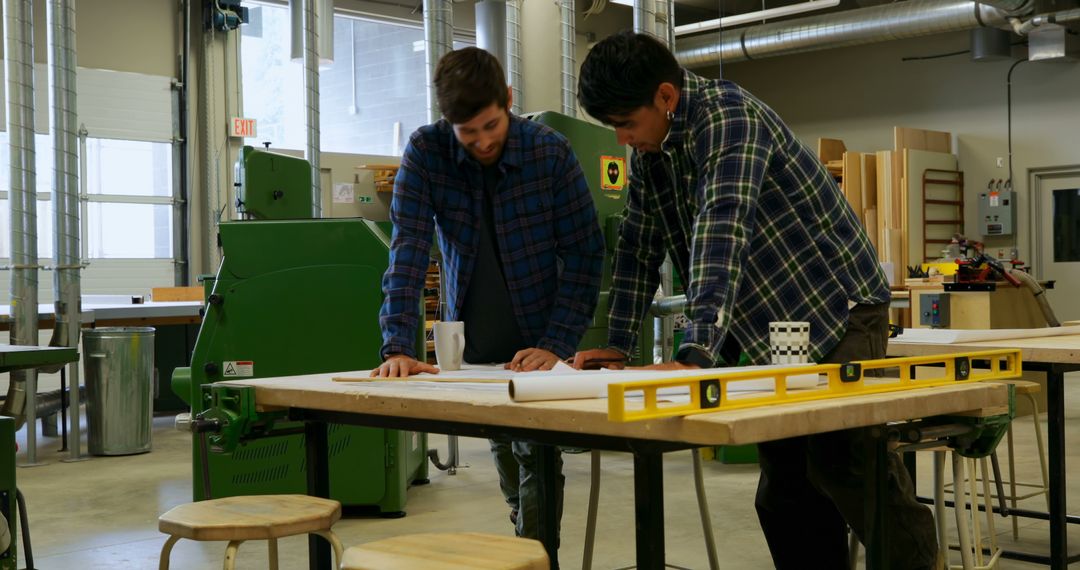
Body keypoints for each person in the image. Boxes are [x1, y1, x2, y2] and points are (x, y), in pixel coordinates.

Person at [574, 31, 937, 569]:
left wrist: (696, 350)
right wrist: (619, 345)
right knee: (786, 484)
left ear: (666, 98)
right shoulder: (652, 153)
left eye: (628, 123)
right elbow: (637, 248)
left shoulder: (729, 119)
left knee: (846, 464)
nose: (624, 139)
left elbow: (722, 230)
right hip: (776, 326)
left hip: (838, 306)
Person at [373, 47, 605, 547]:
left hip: (540, 340)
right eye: (467, 132)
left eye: (491, 125)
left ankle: (538, 557)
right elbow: (408, 250)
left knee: (537, 454)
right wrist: (398, 347)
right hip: (474, 342)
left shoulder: (551, 152)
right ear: (447, 121)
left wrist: (556, 341)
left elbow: (586, 255)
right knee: (504, 453)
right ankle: (527, 546)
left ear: (509, 99)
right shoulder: (426, 152)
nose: (482, 142)